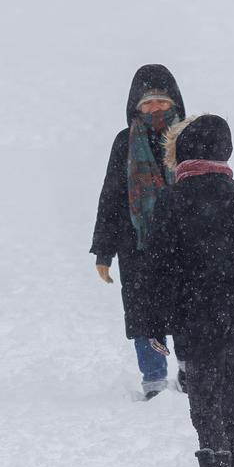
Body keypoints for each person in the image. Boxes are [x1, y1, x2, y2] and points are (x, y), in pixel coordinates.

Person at [140, 115, 234, 467]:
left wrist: (153, 322)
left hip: (197, 318)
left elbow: (158, 269)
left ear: (182, 152)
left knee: (205, 408)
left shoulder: (173, 200)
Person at [90, 64, 185, 400]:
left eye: (161, 100)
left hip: (184, 239)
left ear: (174, 102)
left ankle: (190, 373)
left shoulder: (189, 135)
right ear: (135, 106)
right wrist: (103, 250)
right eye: (147, 102)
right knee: (145, 312)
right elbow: (112, 195)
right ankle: (155, 382)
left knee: (189, 307)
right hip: (137, 243)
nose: (154, 107)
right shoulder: (124, 142)